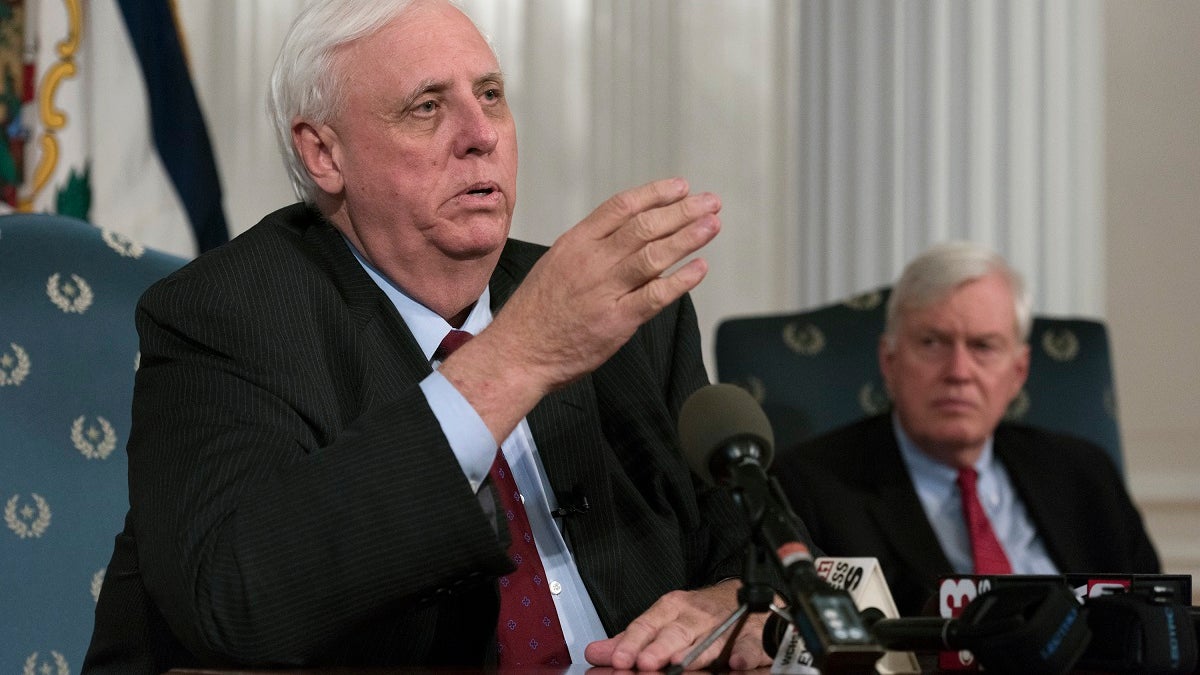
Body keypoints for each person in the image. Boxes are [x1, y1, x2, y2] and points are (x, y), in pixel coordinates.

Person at [82, 0, 780, 672]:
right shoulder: (226, 315)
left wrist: (741, 603)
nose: (482, 134)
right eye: (427, 107)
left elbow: (771, 543)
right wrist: (517, 358)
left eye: (492, 95)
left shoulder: (620, 310)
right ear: (323, 153)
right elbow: (236, 598)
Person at [771, 241, 1160, 617]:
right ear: (889, 360)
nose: (958, 372)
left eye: (983, 346)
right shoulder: (810, 489)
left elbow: (1157, 624)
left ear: (1018, 372)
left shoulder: (1085, 475)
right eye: (933, 343)